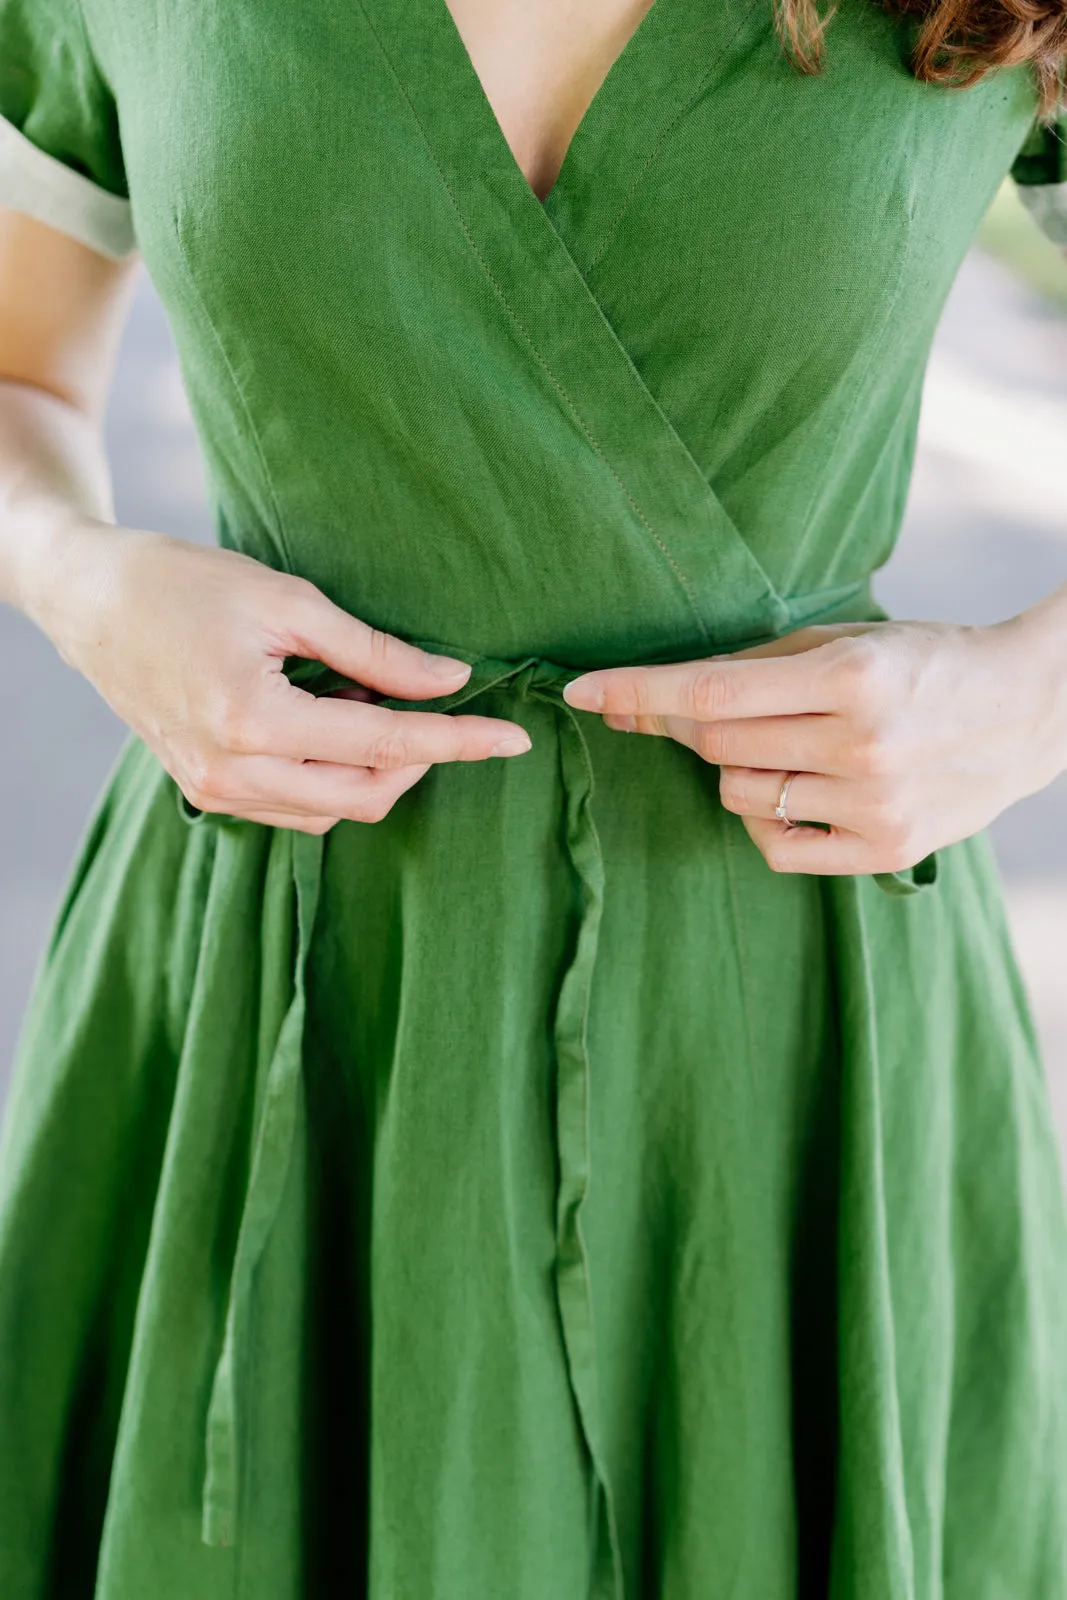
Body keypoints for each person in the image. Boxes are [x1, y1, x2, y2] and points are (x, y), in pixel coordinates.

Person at [0, 0, 1065, 1592]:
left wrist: (1029, 698)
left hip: (786, 1016)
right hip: (283, 979)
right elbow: (19, 365)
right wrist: (80, 580)